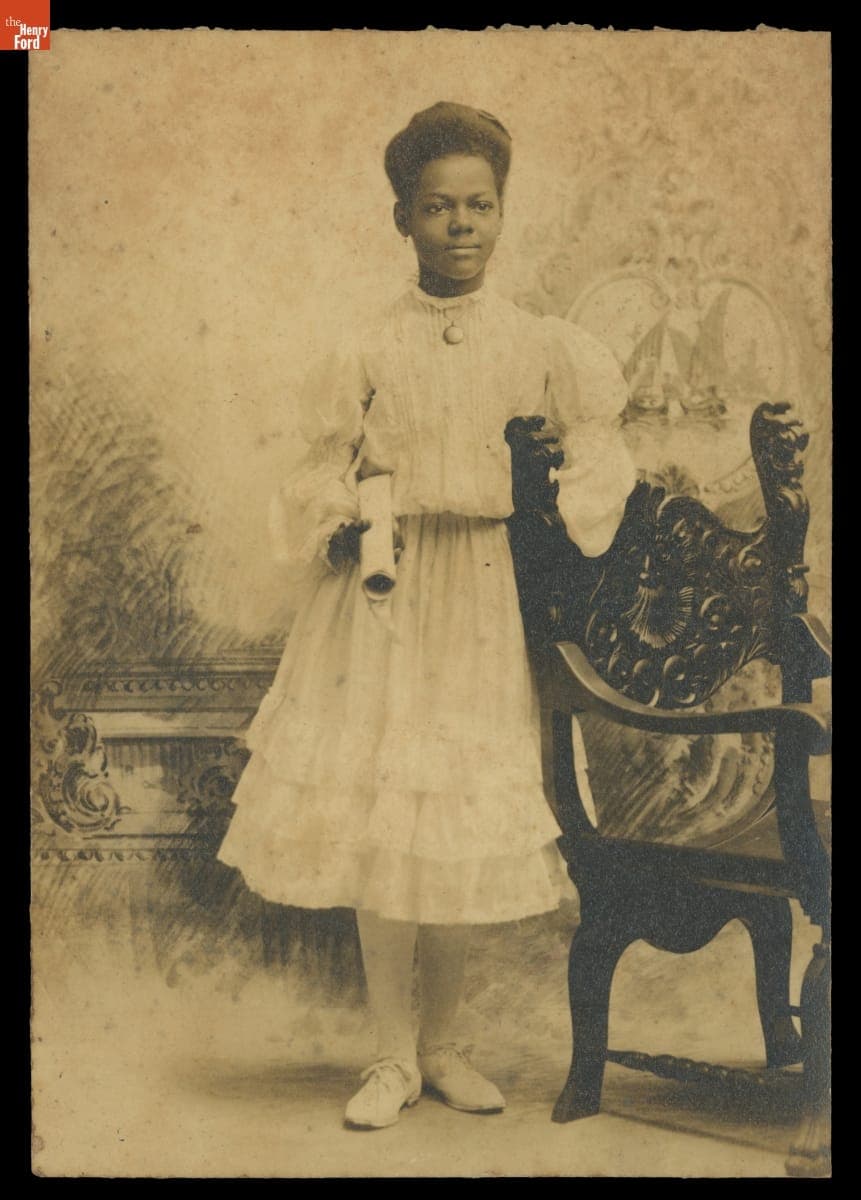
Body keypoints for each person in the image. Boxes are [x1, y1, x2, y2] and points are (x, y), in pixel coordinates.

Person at [217, 101, 637, 1130]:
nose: (463, 225)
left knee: (451, 814)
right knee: (383, 812)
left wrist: (577, 516)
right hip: (385, 593)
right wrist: (339, 518)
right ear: (402, 218)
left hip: (480, 593)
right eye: (439, 207)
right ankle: (390, 1055)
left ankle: (445, 1045)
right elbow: (320, 461)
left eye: (481, 206)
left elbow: (600, 443)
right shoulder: (365, 345)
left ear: (502, 214)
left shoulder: (538, 342)